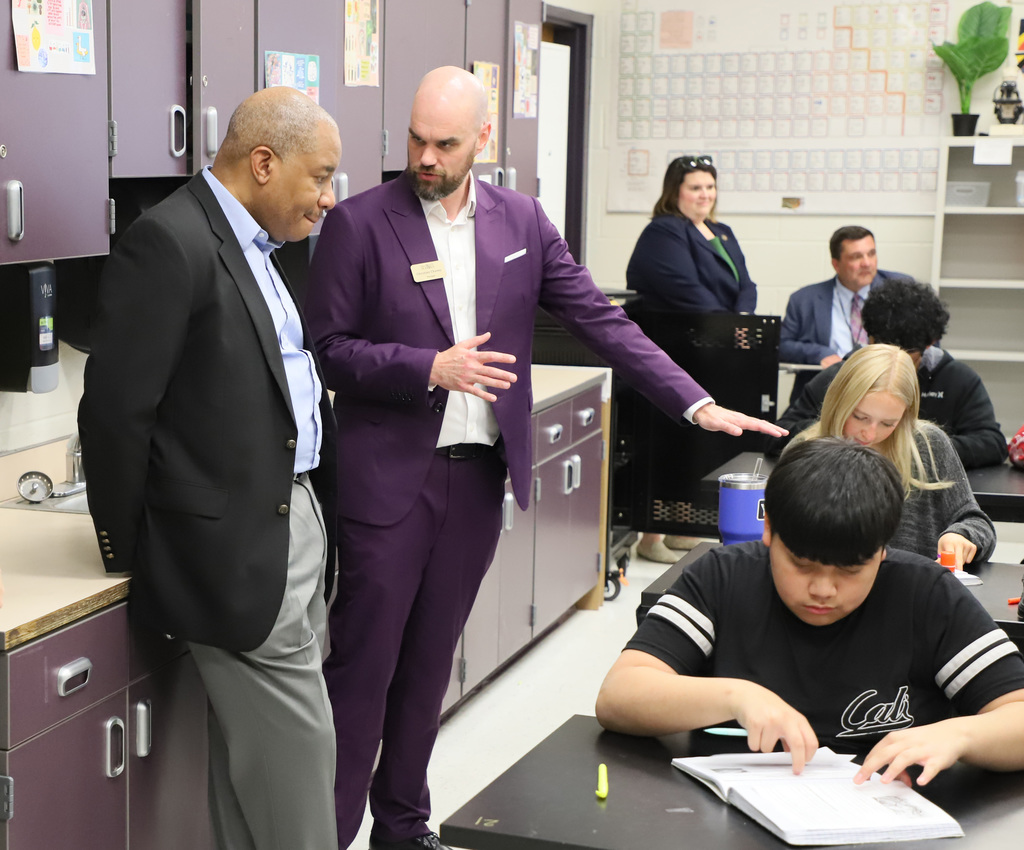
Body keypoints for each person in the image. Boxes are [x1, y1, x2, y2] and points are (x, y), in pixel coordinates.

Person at [305, 66, 786, 850]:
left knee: (429, 670)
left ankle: (403, 830)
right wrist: (427, 367)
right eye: (417, 141)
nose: (426, 159)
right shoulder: (359, 224)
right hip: (389, 482)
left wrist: (694, 401)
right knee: (362, 676)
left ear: (482, 140)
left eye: (445, 144)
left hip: (476, 477)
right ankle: (325, 835)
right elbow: (328, 350)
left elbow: (602, 321)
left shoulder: (522, 221)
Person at [78, 87, 342, 850]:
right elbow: (116, 414)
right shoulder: (172, 242)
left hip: (290, 530)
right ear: (264, 162)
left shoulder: (265, 246)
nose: (327, 199)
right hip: (236, 558)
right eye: (319, 177)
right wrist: (132, 552)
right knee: (298, 791)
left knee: (248, 779)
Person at [596, 438, 1024, 785]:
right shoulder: (723, 577)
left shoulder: (925, 593)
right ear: (769, 530)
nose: (823, 590)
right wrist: (737, 696)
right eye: (801, 565)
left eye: (850, 570)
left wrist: (961, 734)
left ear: (882, 550)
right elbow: (619, 696)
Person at [790, 345, 996, 569]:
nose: (870, 433)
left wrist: (961, 536)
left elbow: (976, 523)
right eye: (860, 417)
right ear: (838, 402)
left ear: (906, 416)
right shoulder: (804, 451)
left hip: (914, 594)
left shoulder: (927, 445)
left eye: (888, 423)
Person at [771, 277, 1007, 469]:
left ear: (930, 345)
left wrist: (905, 446)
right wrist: (838, 434)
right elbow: (777, 435)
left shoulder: (957, 379)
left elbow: (992, 443)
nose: (896, 365)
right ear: (868, 338)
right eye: (861, 416)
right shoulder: (840, 376)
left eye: (908, 358)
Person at [779, 225, 910, 402]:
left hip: (885, 391)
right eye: (856, 257)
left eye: (871, 254)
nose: (867, 263)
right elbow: (782, 345)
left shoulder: (901, 289)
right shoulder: (804, 299)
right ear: (836, 264)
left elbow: (924, 340)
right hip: (826, 394)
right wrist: (819, 353)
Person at [625, 155, 756, 313]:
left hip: (726, 329)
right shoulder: (662, 231)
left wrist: (744, 318)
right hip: (679, 332)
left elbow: (747, 285)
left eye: (710, 187)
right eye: (695, 188)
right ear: (675, 192)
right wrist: (730, 326)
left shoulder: (722, 231)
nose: (705, 195)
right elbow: (687, 291)